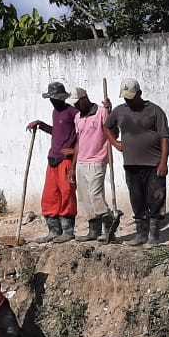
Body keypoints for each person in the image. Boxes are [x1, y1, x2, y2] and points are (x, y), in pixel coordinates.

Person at [104, 78, 169, 246]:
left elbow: (164, 137)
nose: (128, 100)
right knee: (137, 199)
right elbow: (106, 127)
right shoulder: (119, 111)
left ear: (139, 93)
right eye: (125, 97)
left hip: (153, 164)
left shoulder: (155, 111)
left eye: (131, 97)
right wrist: (115, 143)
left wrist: (163, 162)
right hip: (131, 164)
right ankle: (141, 234)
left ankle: (154, 236)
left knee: (155, 199)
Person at [26, 81, 80, 243]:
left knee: (66, 194)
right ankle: (53, 231)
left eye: (54, 98)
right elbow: (56, 132)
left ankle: (68, 231)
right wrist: (40, 125)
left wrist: (73, 151)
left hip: (66, 160)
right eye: (50, 98)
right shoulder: (55, 112)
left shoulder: (73, 113)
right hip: (53, 159)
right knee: (50, 196)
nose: (52, 100)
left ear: (62, 98)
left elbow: (82, 134)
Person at [69, 87, 115, 243]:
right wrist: (73, 167)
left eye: (77, 103)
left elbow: (113, 132)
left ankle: (109, 223)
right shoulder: (77, 117)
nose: (75, 106)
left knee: (95, 195)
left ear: (84, 98)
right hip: (82, 161)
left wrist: (110, 110)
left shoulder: (102, 112)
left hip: (97, 160)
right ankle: (93, 230)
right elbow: (78, 142)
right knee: (84, 198)